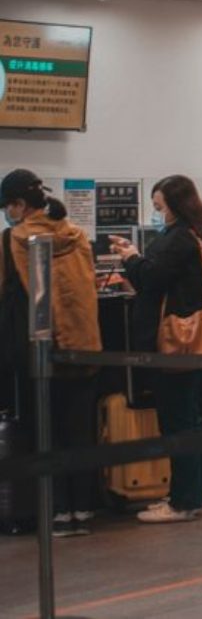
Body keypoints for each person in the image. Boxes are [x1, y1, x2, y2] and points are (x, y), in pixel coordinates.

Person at [110, 175, 202, 523]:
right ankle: (192, 495)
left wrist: (130, 257)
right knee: (190, 418)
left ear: (174, 204)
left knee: (177, 421)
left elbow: (150, 280)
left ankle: (182, 501)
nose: (158, 213)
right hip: (195, 338)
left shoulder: (178, 239)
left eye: (159, 207)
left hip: (174, 340)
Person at [3, 170, 101, 536]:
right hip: (86, 345)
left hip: (43, 349)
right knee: (80, 429)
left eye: (8, 206)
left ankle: (57, 511)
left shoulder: (14, 239)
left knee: (47, 431)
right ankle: (85, 508)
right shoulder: (76, 234)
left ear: (19, 205)